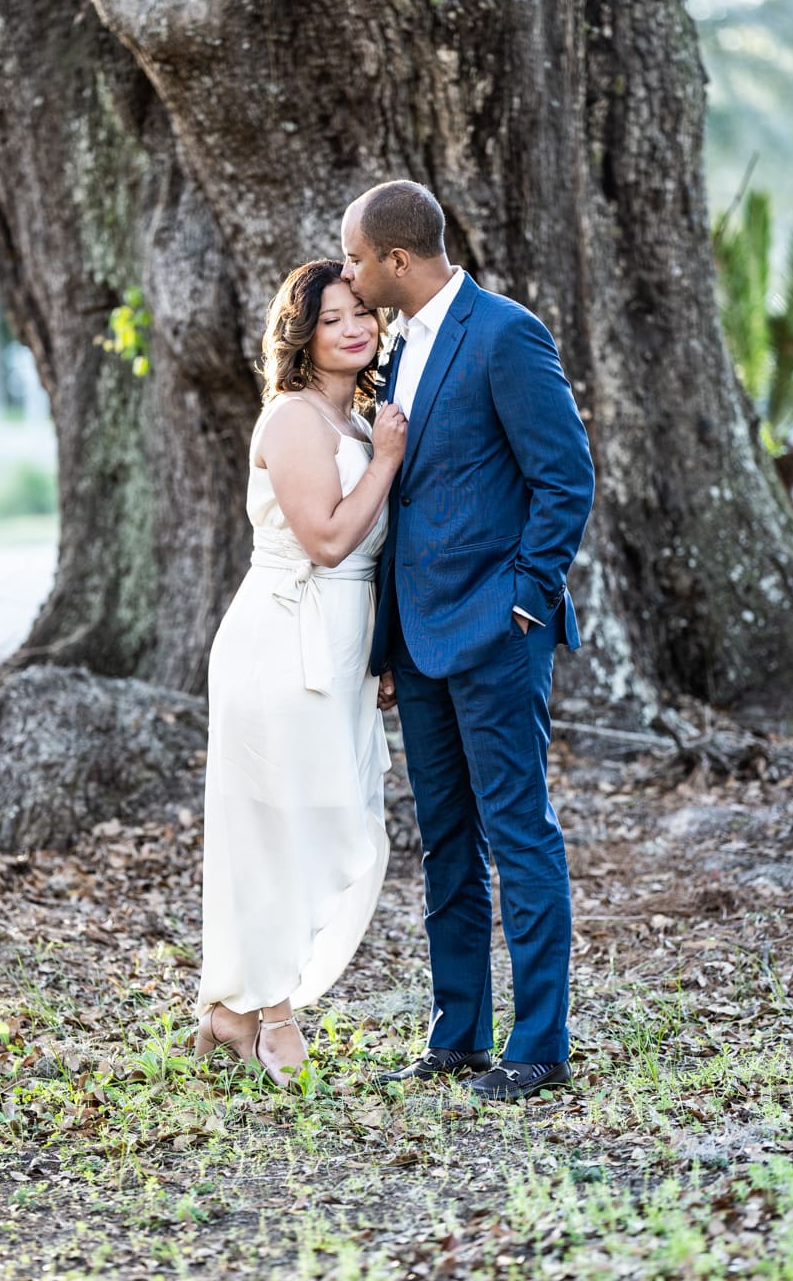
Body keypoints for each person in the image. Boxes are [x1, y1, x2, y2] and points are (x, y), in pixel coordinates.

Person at [341, 181, 595, 1101]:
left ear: (398, 261)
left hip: (495, 633)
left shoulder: (505, 333)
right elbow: (408, 499)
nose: (349, 272)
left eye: (358, 258)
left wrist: (526, 600)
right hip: (416, 645)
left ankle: (539, 1046)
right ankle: (457, 1034)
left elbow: (566, 477)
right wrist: (384, 646)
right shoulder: (399, 346)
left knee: (518, 832)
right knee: (447, 842)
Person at [195, 258, 407, 1087]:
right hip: (282, 641)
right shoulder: (292, 421)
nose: (356, 327)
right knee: (284, 824)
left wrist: (380, 650)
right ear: (302, 335)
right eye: (333, 318)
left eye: (362, 312)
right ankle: (270, 1013)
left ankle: (232, 1007)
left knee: (338, 816)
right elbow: (325, 540)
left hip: (344, 645)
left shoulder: (353, 420)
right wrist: (387, 460)